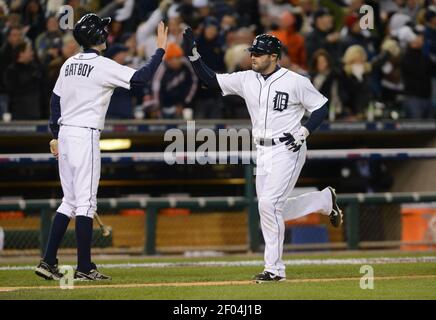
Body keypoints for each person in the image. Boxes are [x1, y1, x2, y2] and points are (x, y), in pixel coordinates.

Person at [182, 30, 343, 283]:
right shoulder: (247, 78)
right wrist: (193, 54)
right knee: (269, 207)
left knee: (269, 205)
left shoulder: (295, 81)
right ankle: (323, 200)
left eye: (258, 53)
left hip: (288, 148)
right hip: (262, 150)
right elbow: (211, 80)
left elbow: (321, 107)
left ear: (274, 56)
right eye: (252, 52)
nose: (253, 56)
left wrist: (303, 132)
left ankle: (275, 270)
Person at [34, 14, 168, 281]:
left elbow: (54, 103)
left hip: (66, 135)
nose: (107, 32)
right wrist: (160, 50)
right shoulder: (102, 65)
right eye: (104, 29)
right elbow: (141, 78)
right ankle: (85, 267)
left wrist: (55, 135)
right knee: (85, 203)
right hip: (85, 135)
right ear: (98, 36)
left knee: (69, 201)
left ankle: (48, 261)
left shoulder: (68, 63)